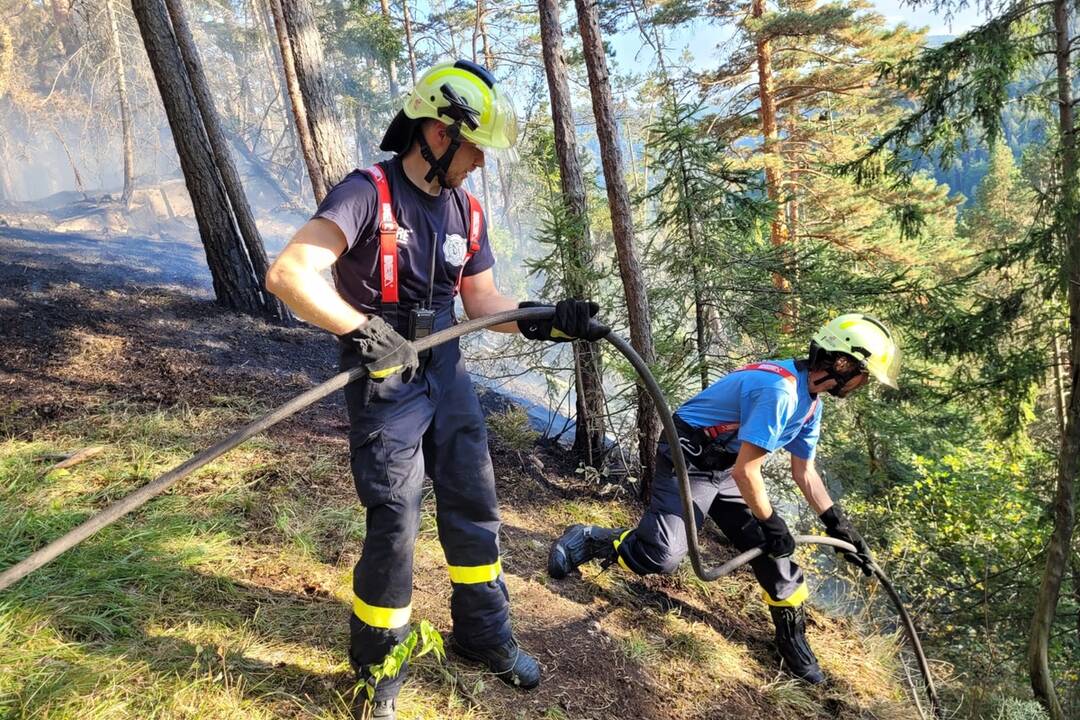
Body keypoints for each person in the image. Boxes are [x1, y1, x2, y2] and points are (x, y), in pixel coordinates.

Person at [266, 59, 607, 720]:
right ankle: (377, 670)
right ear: (438, 132)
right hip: (385, 371)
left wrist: (547, 320)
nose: (482, 160)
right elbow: (290, 274)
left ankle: (482, 633)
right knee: (395, 518)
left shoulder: (465, 209)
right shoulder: (367, 191)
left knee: (474, 499)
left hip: (444, 363)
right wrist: (362, 332)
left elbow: (482, 299)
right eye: (476, 145)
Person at [547, 314, 900, 684]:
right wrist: (772, 523)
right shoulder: (780, 392)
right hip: (691, 457)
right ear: (842, 363)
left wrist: (839, 527)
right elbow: (748, 472)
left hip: (727, 465)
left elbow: (804, 472)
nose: (863, 384)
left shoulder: (811, 401)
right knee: (661, 556)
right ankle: (591, 539)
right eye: (864, 375)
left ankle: (791, 637)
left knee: (773, 549)